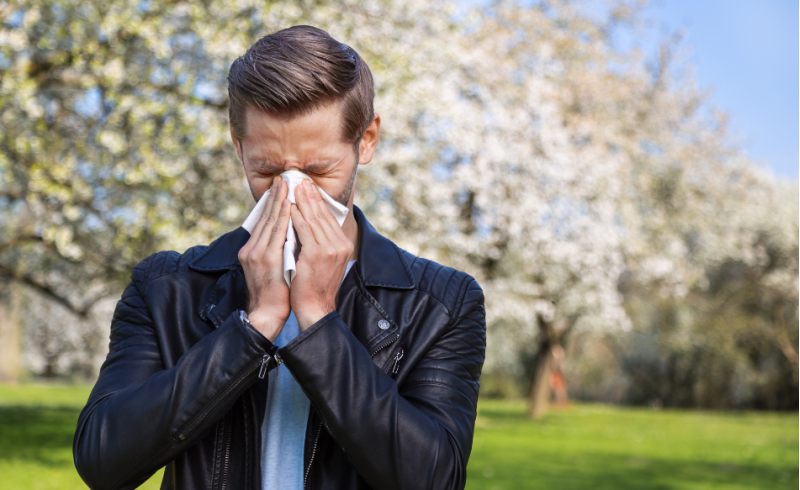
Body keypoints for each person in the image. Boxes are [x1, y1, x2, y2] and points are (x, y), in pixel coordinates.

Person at [73, 25, 486, 490]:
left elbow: (434, 478)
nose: (291, 192)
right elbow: (102, 461)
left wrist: (319, 321)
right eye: (267, 169)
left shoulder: (441, 303)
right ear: (239, 146)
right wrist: (255, 326)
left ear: (365, 140)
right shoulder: (166, 287)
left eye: (318, 170)